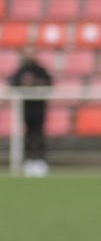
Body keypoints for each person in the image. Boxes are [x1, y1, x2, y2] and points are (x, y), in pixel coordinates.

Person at [8, 45, 52, 175]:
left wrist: (37, 83)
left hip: (38, 108)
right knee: (27, 135)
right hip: (25, 108)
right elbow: (12, 83)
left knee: (38, 134)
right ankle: (28, 161)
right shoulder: (21, 70)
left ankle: (40, 161)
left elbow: (49, 83)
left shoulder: (41, 70)